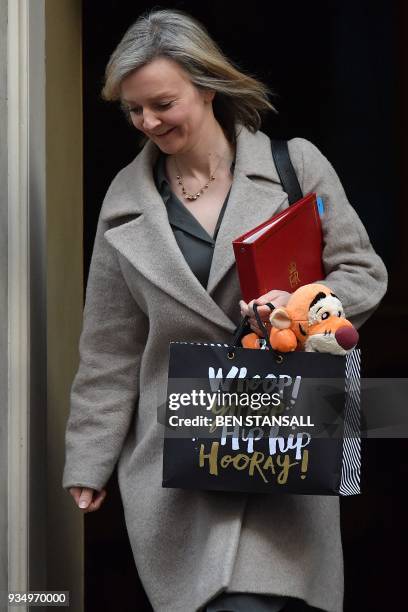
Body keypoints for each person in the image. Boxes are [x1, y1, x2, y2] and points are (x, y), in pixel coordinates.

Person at [62, 8, 387, 612]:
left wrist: (301, 308)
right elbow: (109, 348)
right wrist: (89, 459)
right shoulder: (123, 203)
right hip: (180, 463)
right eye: (134, 110)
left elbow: (364, 273)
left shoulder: (297, 167)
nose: (148, 121)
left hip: (284, 440)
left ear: (206, 86)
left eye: (162, 102)